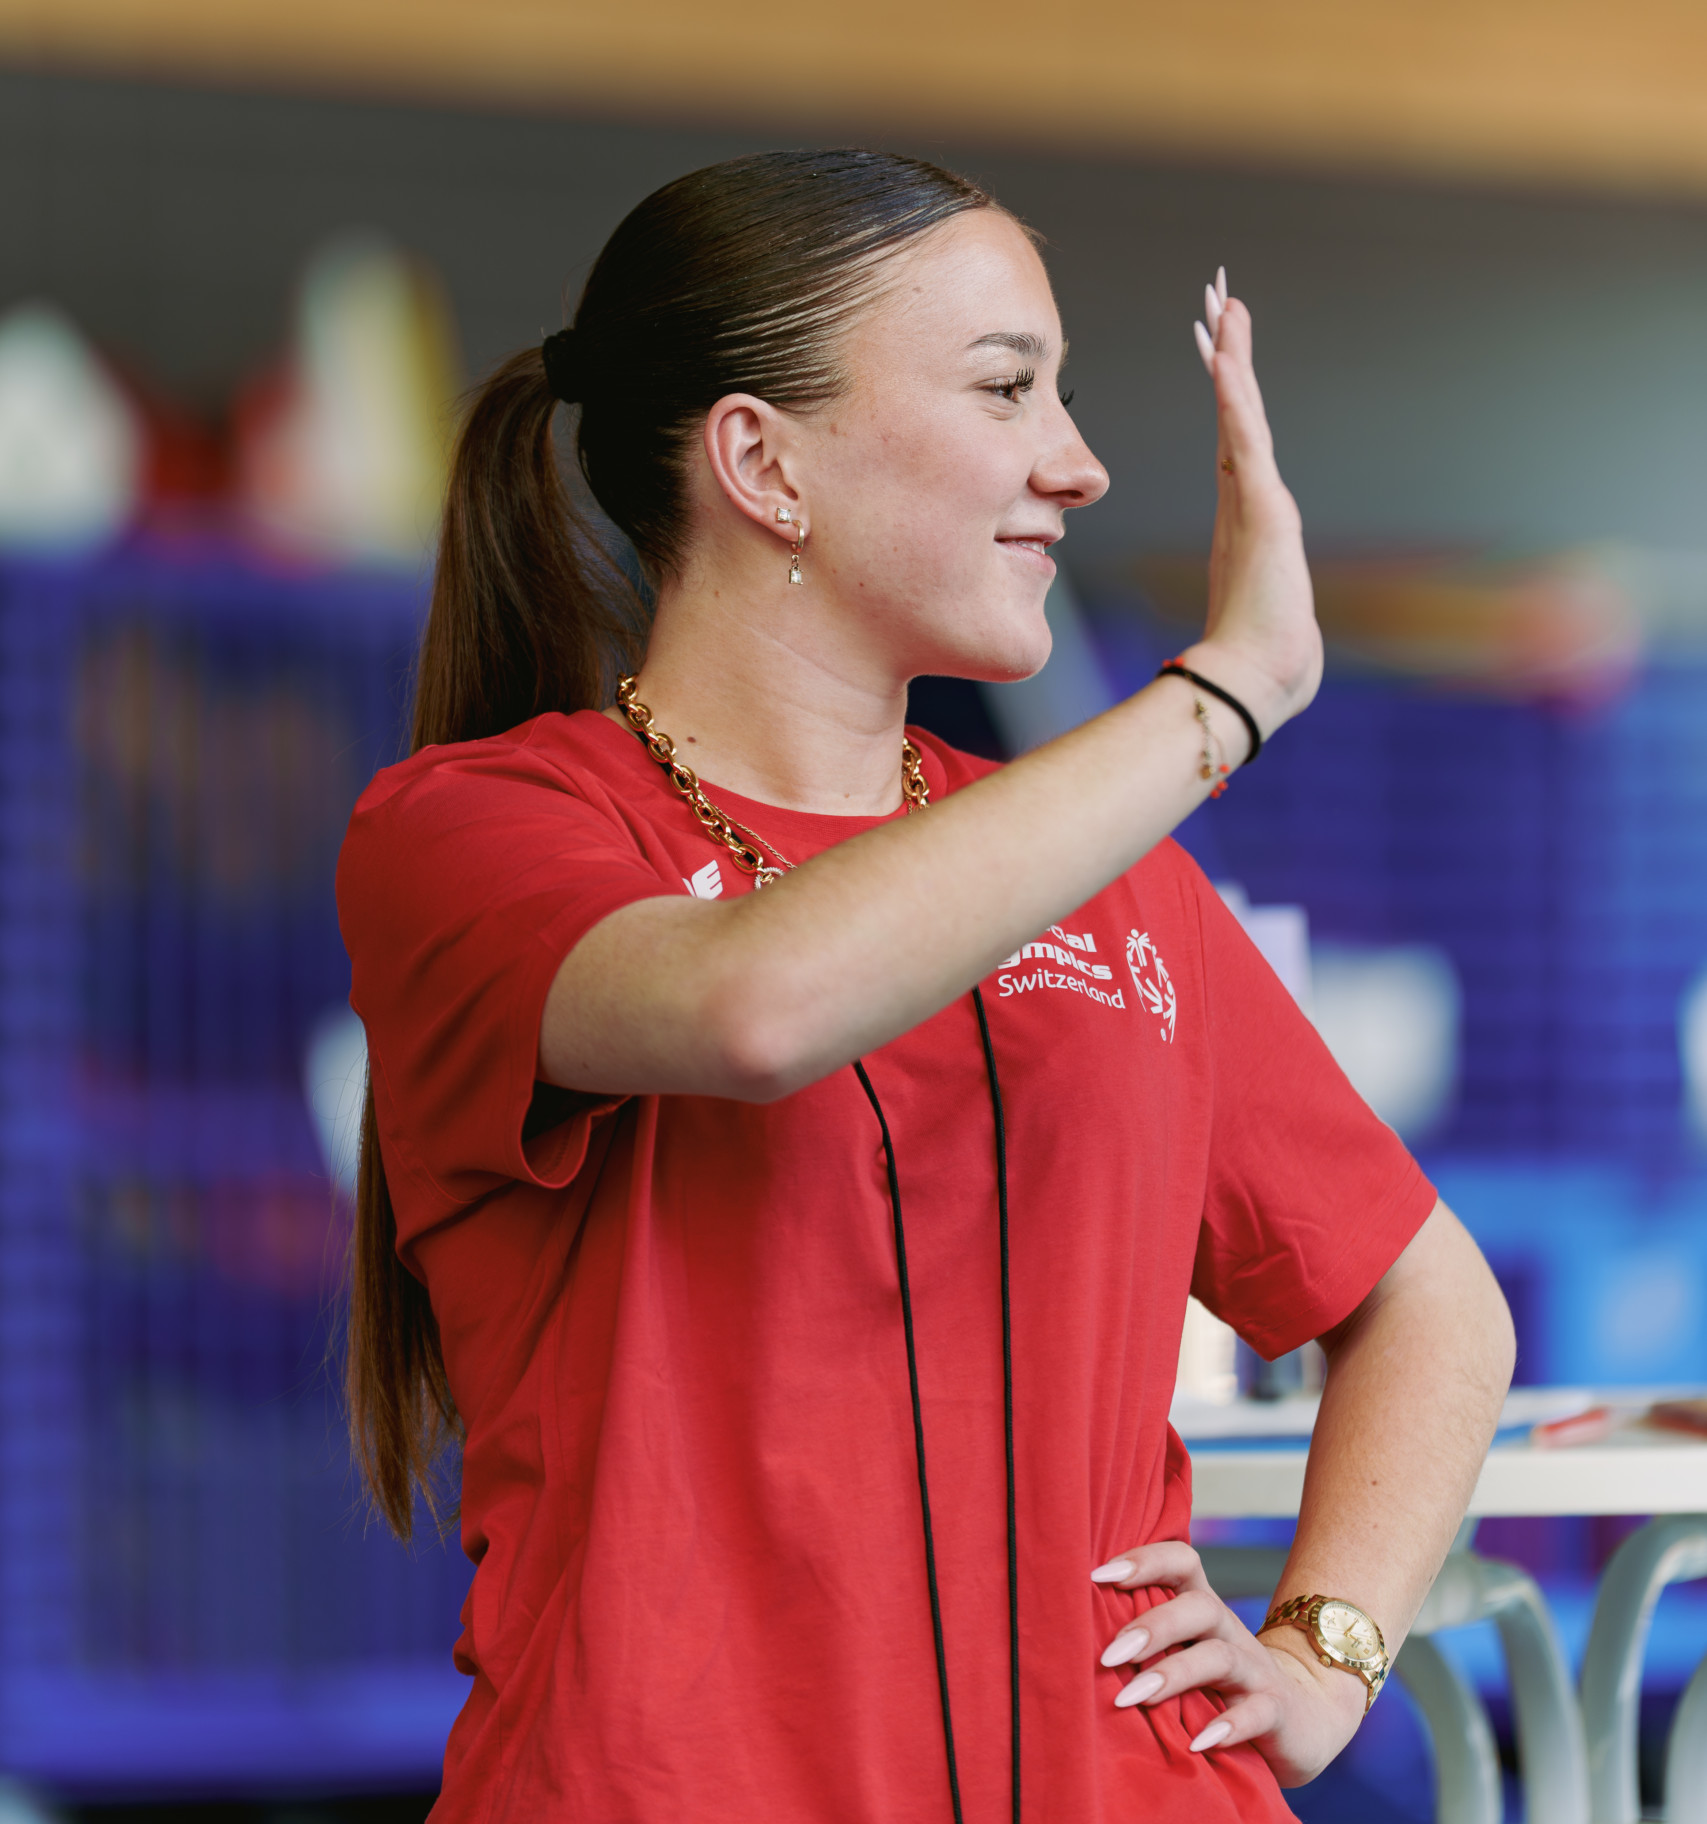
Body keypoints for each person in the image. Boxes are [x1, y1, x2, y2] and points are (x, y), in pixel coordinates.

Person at [337, 147, 1513, 1824]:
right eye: (1006, 389)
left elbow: (1429, 1301)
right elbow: (756, 1007)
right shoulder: (475, 834)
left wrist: (1323, 1656)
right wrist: (1222, 697)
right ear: (765, 464)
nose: (1080, 464)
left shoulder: (1109, 874)